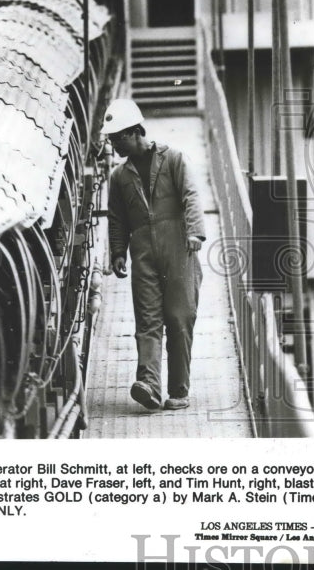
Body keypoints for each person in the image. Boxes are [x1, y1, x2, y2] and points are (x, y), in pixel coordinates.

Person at [101, 99, 205, 412]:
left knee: (179, 318)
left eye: (117, 138)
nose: (113, 144)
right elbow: (117, 218)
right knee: (147, 321)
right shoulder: (119, 177)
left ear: (134, 132)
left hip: (180, 251)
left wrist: (195, 232)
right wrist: (118, 251)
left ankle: (178, 389)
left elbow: (191, 195)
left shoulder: (173, 159)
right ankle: (148, 384)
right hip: (143, 255)